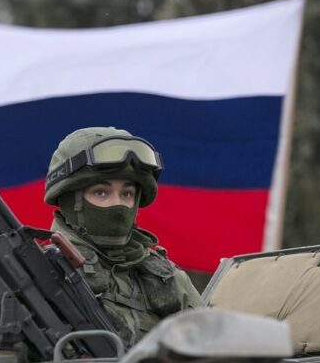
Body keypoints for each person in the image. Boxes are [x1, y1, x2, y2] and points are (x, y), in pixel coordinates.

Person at [44, 127, 204, 347]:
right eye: (101, 192)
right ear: (70, 199)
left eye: (127, 193)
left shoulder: (167, 276)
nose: (117, 204)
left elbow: (214, 348)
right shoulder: (38, 275)